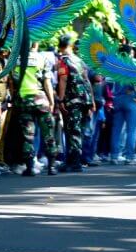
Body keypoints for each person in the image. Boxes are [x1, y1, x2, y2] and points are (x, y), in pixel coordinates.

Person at [19, 42, 58, 176]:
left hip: (24, 101)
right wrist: (51, 101)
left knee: (28, 136)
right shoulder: (42, 58)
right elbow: (47, 82)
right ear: (36, 44)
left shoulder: (16, 59)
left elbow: (12, 81)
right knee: (48, 134)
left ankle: (29, 168)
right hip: (41, 101)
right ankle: (52, 167)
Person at [56, 34, 93, 173]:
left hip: (72, 100)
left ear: (60, 46)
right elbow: (87, 80)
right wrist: (92, 101)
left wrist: (60, 100)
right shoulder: (79, 60)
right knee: (77, 130)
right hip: (84, 100)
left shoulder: (64, 61)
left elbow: (63, 80)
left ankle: (75, 162)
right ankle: (71, 161)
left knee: (72, 130)